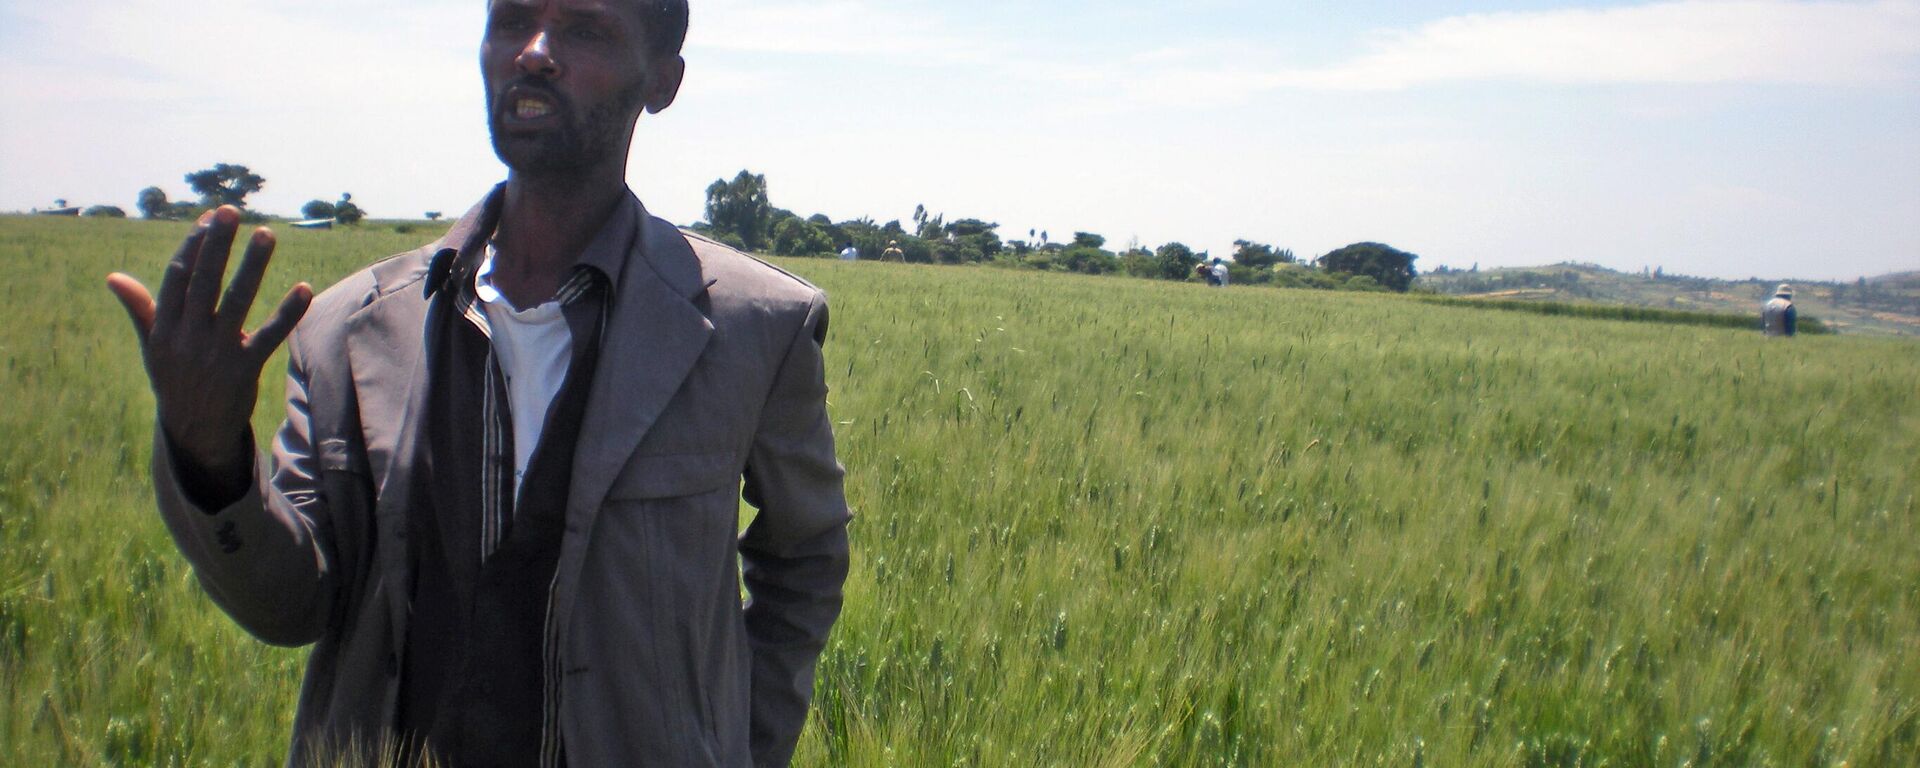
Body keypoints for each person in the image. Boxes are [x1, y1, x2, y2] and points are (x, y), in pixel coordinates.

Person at [102, 2, 851, 766]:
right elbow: (293, 602)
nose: (533, 52)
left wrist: (738, 746)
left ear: (662, 82)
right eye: (510, 21)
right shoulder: (347, 331)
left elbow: (806, 559)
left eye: (585, 30)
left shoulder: (756, 329)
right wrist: (211, 460)